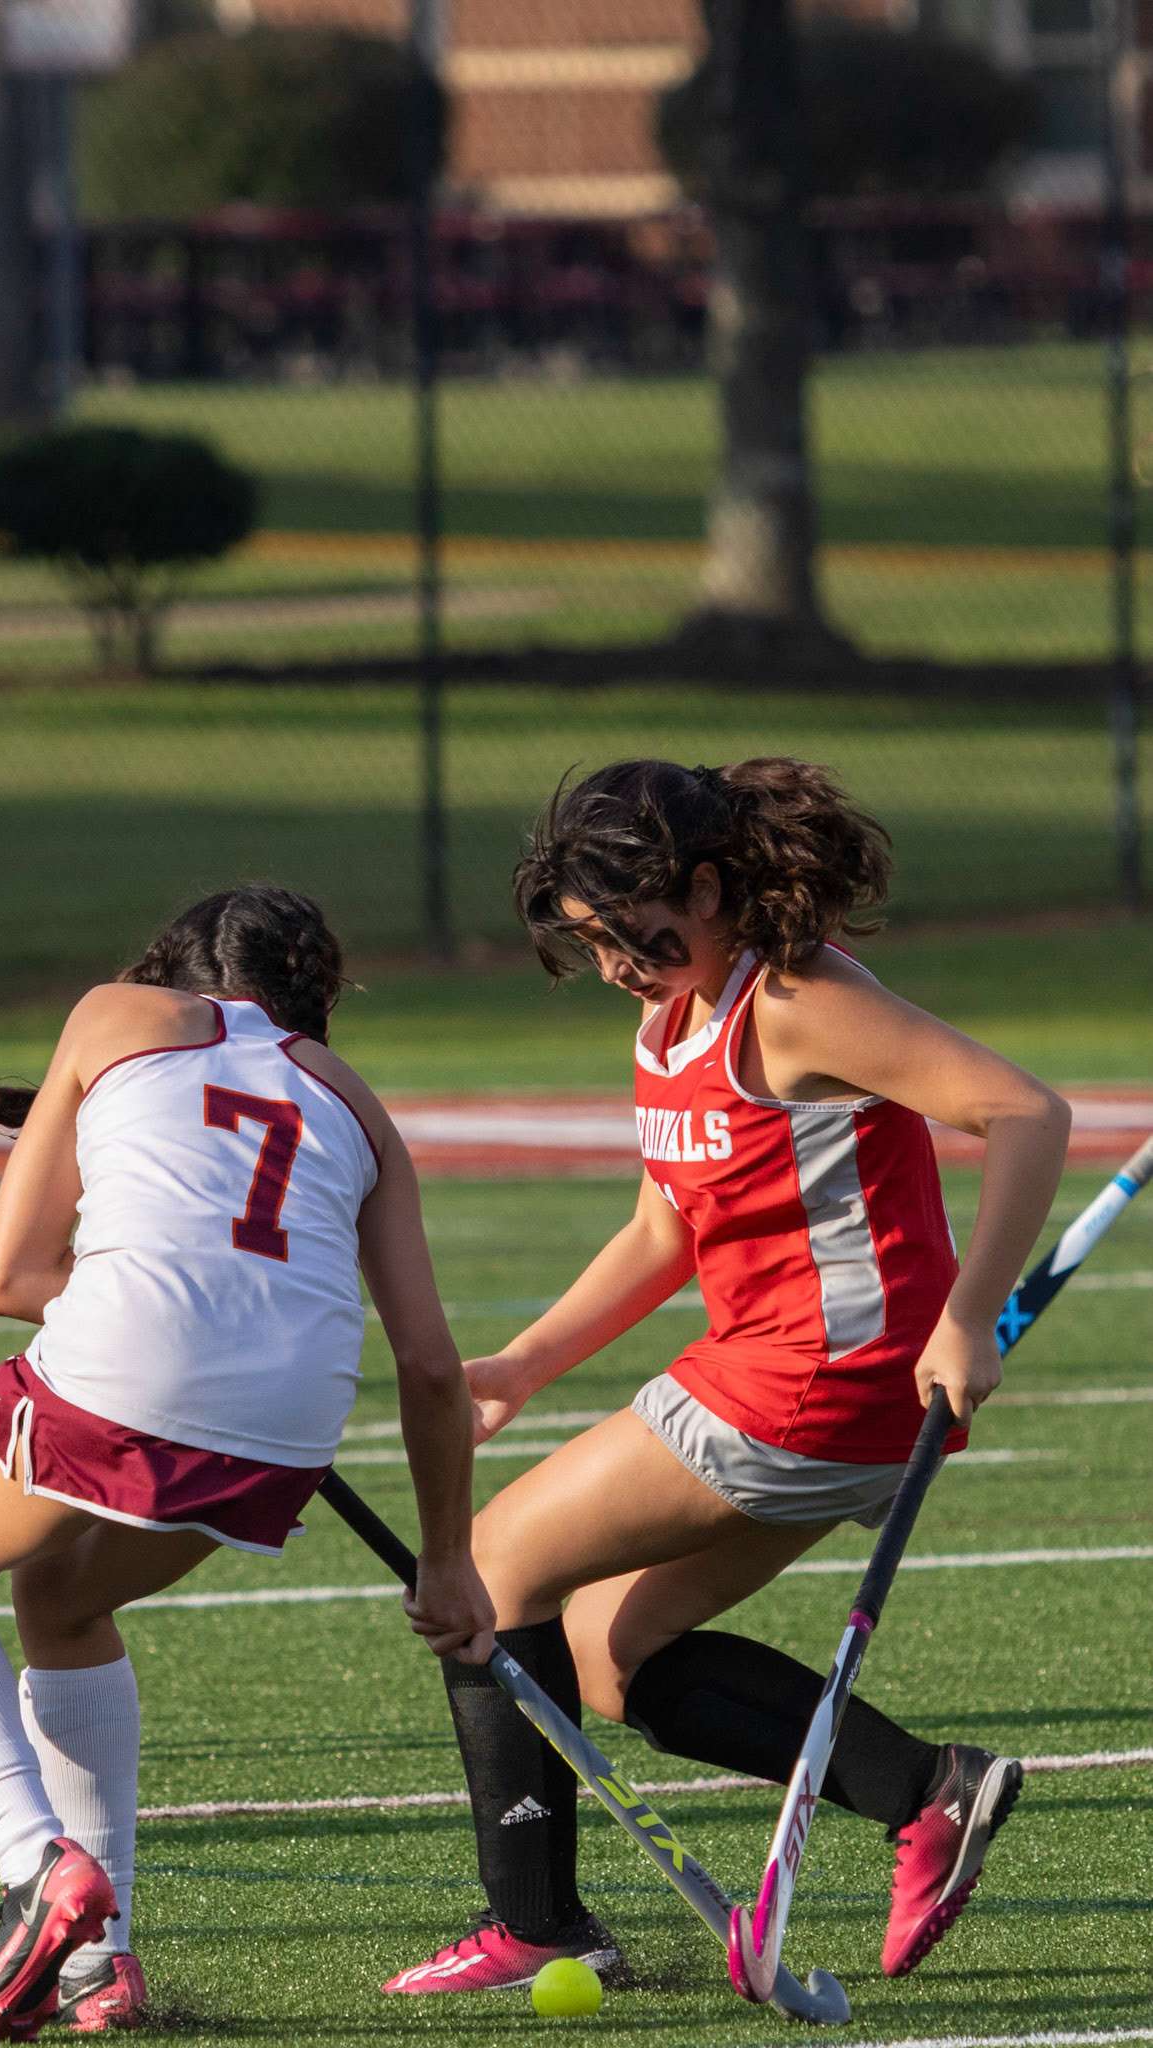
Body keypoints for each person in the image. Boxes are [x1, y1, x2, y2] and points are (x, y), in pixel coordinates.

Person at [385, 757, 1070, 1997]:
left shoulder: (796, 999)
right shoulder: (670, 1018)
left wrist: (971, 1317)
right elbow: (664, 1228)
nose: (613, 965)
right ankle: (927, 1788)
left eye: (625, 934)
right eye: (590, 944)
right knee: (610, 1651)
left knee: (493, 1561)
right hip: (791, 1377)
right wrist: (525, 1363)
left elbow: (1027, 1112)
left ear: (706, 888)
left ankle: (537, 1920)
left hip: (818, 1377)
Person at [0, 885, 494, 2043]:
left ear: (176, 966)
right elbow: (431, 1366)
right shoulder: (357, 1100)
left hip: (125, 1370)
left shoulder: (114, 1011)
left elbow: (8, 1278)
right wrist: (449, 1559)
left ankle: (35, 1867)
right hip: (293, 1425)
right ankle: (97, 1967)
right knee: (62, 1598)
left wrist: (154, 1290)